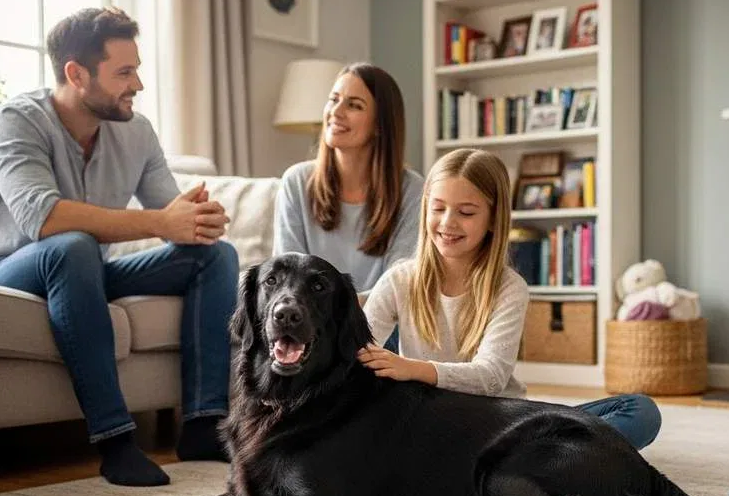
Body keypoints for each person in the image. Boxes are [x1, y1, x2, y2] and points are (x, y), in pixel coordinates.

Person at [0, 8, 237, 486]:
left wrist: (197, 220)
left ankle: (204, 424)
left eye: (138, 69)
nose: (139, 85)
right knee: (72, 244)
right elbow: (43, 218)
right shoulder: (16, 121)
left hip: (83, 270)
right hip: (4, 271)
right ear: (76, 74)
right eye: (124, 73)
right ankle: (115, 440)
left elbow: (170, 212)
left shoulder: (136, 130)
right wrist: (162, 221)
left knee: (216, 256)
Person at [358, 148, 661, 450]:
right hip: (434, 425)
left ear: (493, 219)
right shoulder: (399, 280)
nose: (448, 222)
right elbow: (356, 351)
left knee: (640, 412)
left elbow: (491, 377)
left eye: (466, 212)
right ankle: (547, 465)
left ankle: (535, 463)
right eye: (438, 208)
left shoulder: (509, 288)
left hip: (503, 425)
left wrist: (413, 368)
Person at [275, 62, 422, 351]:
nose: (336, 112)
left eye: (354, 105)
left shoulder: (412, 190)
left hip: (378, 324)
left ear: (381, 125)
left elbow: (399, 286)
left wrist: (337, 305)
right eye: (333, 100)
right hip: (310, 321)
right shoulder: (296, 182)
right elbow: (287, 276)